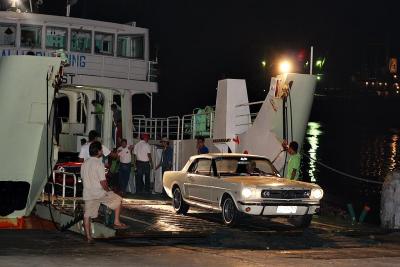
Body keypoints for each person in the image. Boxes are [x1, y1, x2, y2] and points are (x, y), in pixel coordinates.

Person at [81, 141, 128, 243]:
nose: (102, 151)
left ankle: (89, 237)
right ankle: (116, 221)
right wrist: (109, 190)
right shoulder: (99, 164)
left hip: (88, 193)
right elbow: (103, 182)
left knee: (87, 215)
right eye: (101, 150)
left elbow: (83, 178)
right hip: (99, 193)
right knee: (118, 199)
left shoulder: (84, 164)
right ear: (98, 151)